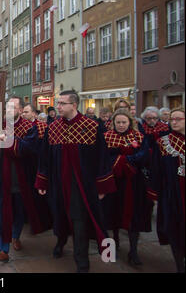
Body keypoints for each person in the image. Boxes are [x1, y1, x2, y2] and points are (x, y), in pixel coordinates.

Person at [35, 90, 116, 273]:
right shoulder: (52, 128)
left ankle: (82, 262)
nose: (58, 106)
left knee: (80, 222)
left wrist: (102, 185)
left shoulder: (92, 126)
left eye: (62, 103)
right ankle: (60, 242)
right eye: (58, 103)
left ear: (74, 105)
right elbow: (45, 157)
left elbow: (102, 157)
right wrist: (42, 181)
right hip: (57, 184)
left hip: (81, 185)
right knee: (59, 216)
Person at [0, 96, 52, 263]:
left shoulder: (28, 127)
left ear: (19, 110)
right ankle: (3, 249)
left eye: (13, 107)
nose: (8, 111)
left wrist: (7, 140)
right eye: (7, 107)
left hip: (20, 179)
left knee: (18, 213)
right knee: (2, 213)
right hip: (0, 178)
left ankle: (15, 236)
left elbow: (26, 150)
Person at [102, 108, 153, 266]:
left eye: (124, 122)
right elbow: (102, 158)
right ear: (113, 123)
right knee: (111, 215)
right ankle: (112, 247)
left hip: (134, 183)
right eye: (118, 122)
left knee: (134, 216)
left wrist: (125, 160)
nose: (121, 125)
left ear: (130, 122)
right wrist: (120, 161)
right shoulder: (106, 137)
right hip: (112, 182)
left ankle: (133, 251)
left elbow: (144, 155)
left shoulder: (138, 136)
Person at [151, 108, 185, 273]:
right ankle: (179, 264)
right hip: (172, 194)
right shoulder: (163, 142)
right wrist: (156, 193)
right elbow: (156, 170)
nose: (175, 122)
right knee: (175, 229)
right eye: (172, 119)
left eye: (179, 119)